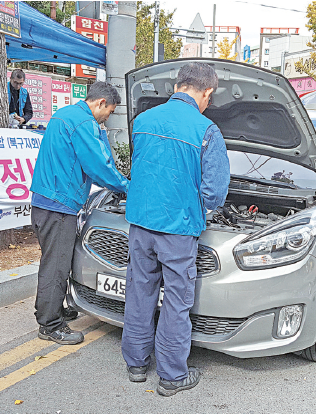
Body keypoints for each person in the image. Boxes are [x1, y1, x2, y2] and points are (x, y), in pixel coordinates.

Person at [122, 62, 230, 396]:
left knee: (140, 291)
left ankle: (136, 363)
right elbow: (215, 193)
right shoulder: (206, 130)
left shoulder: (142, 120)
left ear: (178, 84)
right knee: (176, 301)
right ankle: (171, 376)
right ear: (207, 92)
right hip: (178, 229)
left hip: (140, 223)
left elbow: (141, 165)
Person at [30, 81, 129, 345]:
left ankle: (52, 309)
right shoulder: (85, 124)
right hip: (59, 205)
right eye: (109, 112)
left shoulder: (63, 115)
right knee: (56, 265)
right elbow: (99, 166)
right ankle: (50, 325)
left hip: (44, 201)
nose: (108, 117)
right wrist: (127, 187)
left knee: (54, 260)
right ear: (100, 103)